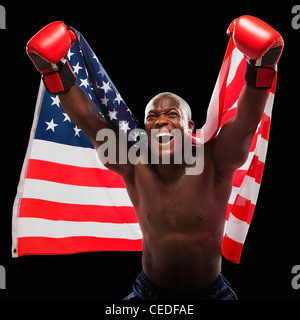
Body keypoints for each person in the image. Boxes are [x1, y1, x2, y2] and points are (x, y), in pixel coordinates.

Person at [26, 16, 283, 300]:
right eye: (153, 117)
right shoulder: (134, 164)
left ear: (190, 128)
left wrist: (262, 66)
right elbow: (91, 122)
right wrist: (56, 71)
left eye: (172, 115)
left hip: (212, 293)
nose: (161, 122)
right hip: (147, 294)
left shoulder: (215, 160)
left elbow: (246, 123)